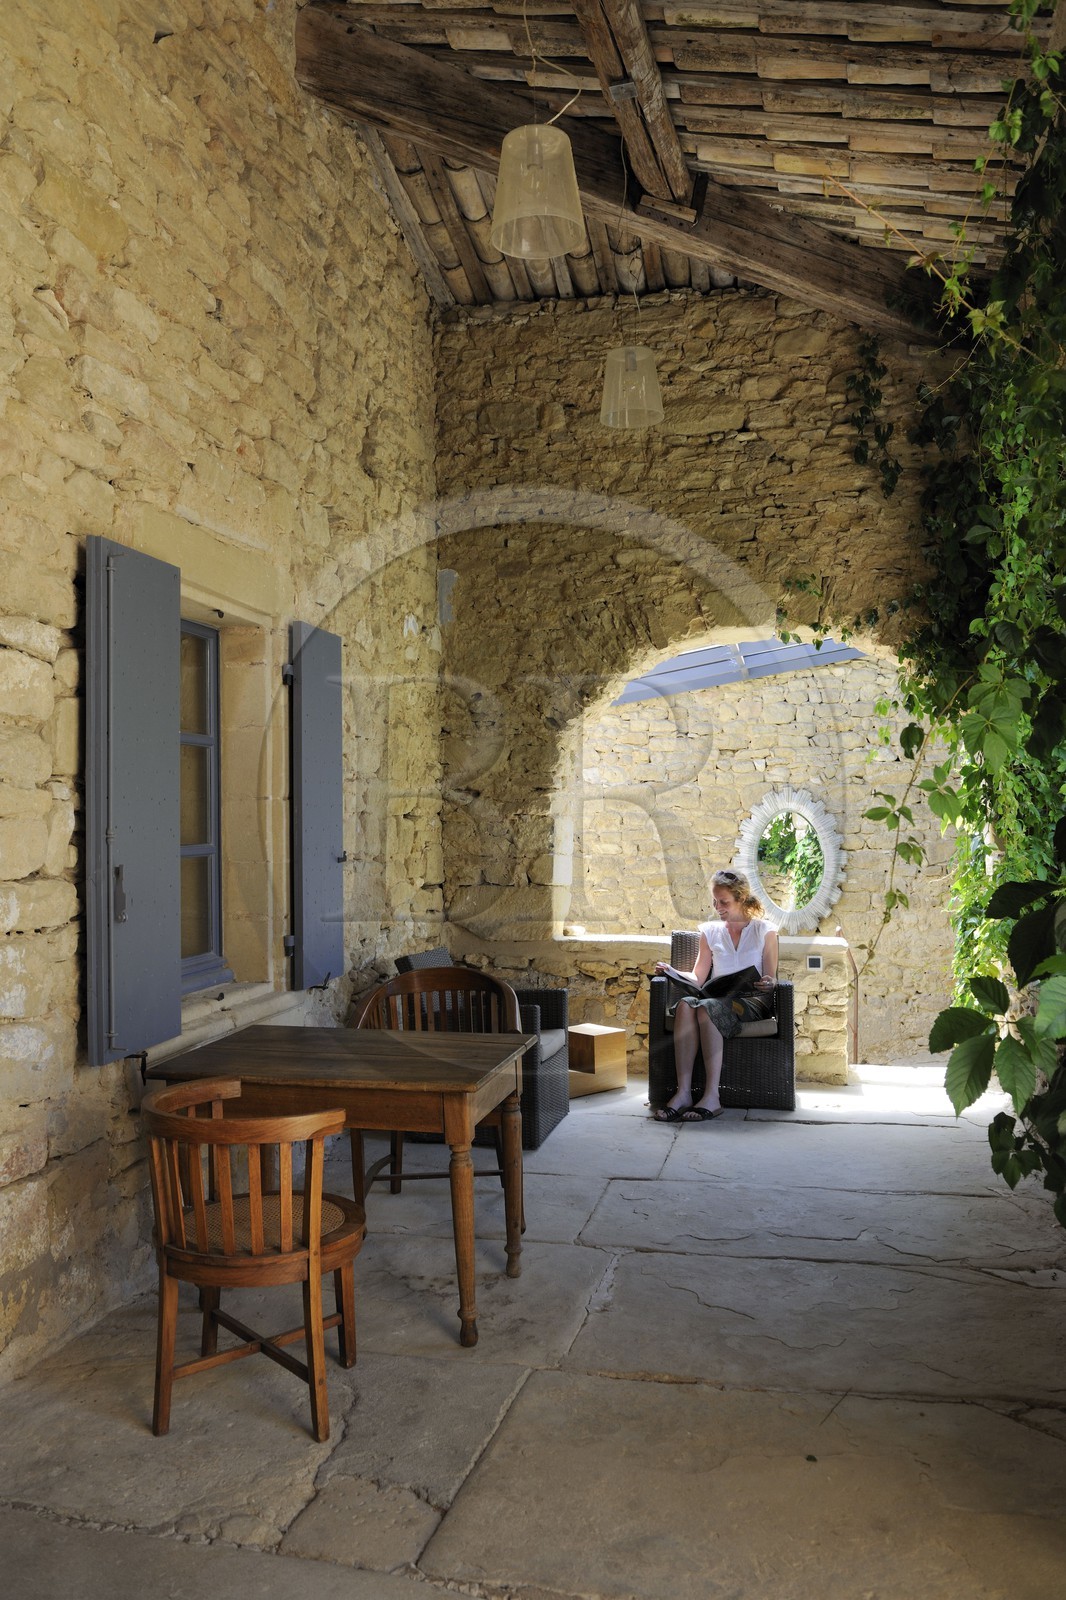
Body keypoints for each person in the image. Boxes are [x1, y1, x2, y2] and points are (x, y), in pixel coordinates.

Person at [652, 868, 778, 1123]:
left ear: (741, 899)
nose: (718, 907)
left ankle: (712, 1096)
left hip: (751, 1002)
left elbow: (771, 976)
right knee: (687, 1005)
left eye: (724, 902)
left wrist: (769, 983)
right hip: (716, 1000)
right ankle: (684, 1093)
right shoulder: (709, 932)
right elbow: (698, 977)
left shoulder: (765, 931)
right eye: (715, 901)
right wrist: (672, 972)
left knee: (706, 1007)